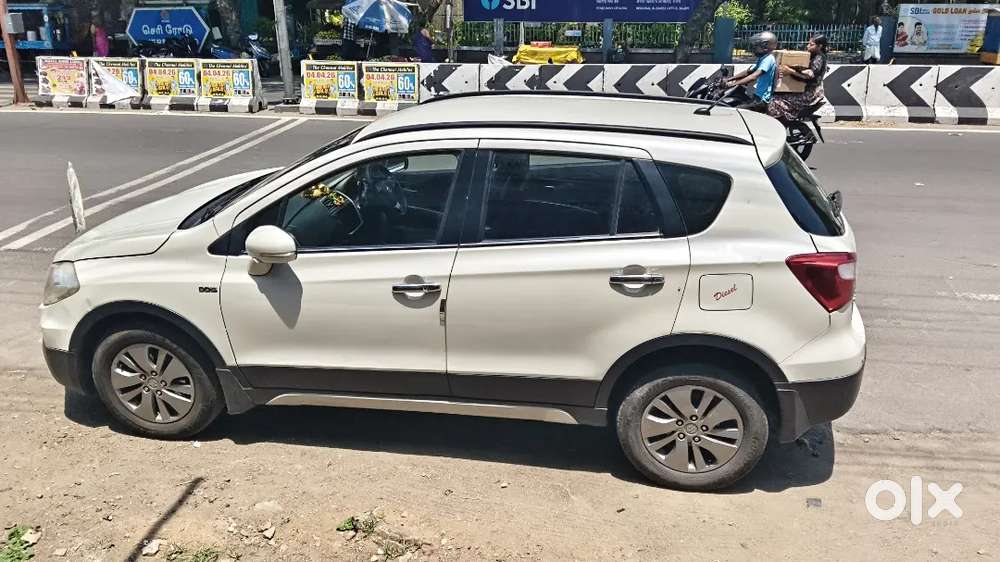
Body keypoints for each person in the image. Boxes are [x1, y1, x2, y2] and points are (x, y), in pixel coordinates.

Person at [769, 35, 829, 122]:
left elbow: (809, 77)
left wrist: (790, 71)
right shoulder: (811, 55)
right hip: (803, 91)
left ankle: (781, 124)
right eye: (808, 44)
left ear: (820, 46)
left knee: (774, 101)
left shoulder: (819, 57)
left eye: (811, 44)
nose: (808, 46)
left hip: (810, 94)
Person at [726, 31, 778, 113]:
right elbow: (748, 72)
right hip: (757, 97)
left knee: (736, 111)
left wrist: (734, 84)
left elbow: (754, 76)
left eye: (756, 46)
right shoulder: (763, 58)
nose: (754, 48)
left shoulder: (769, 59)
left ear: (765, 46)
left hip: (761, 100)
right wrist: (729, 79)